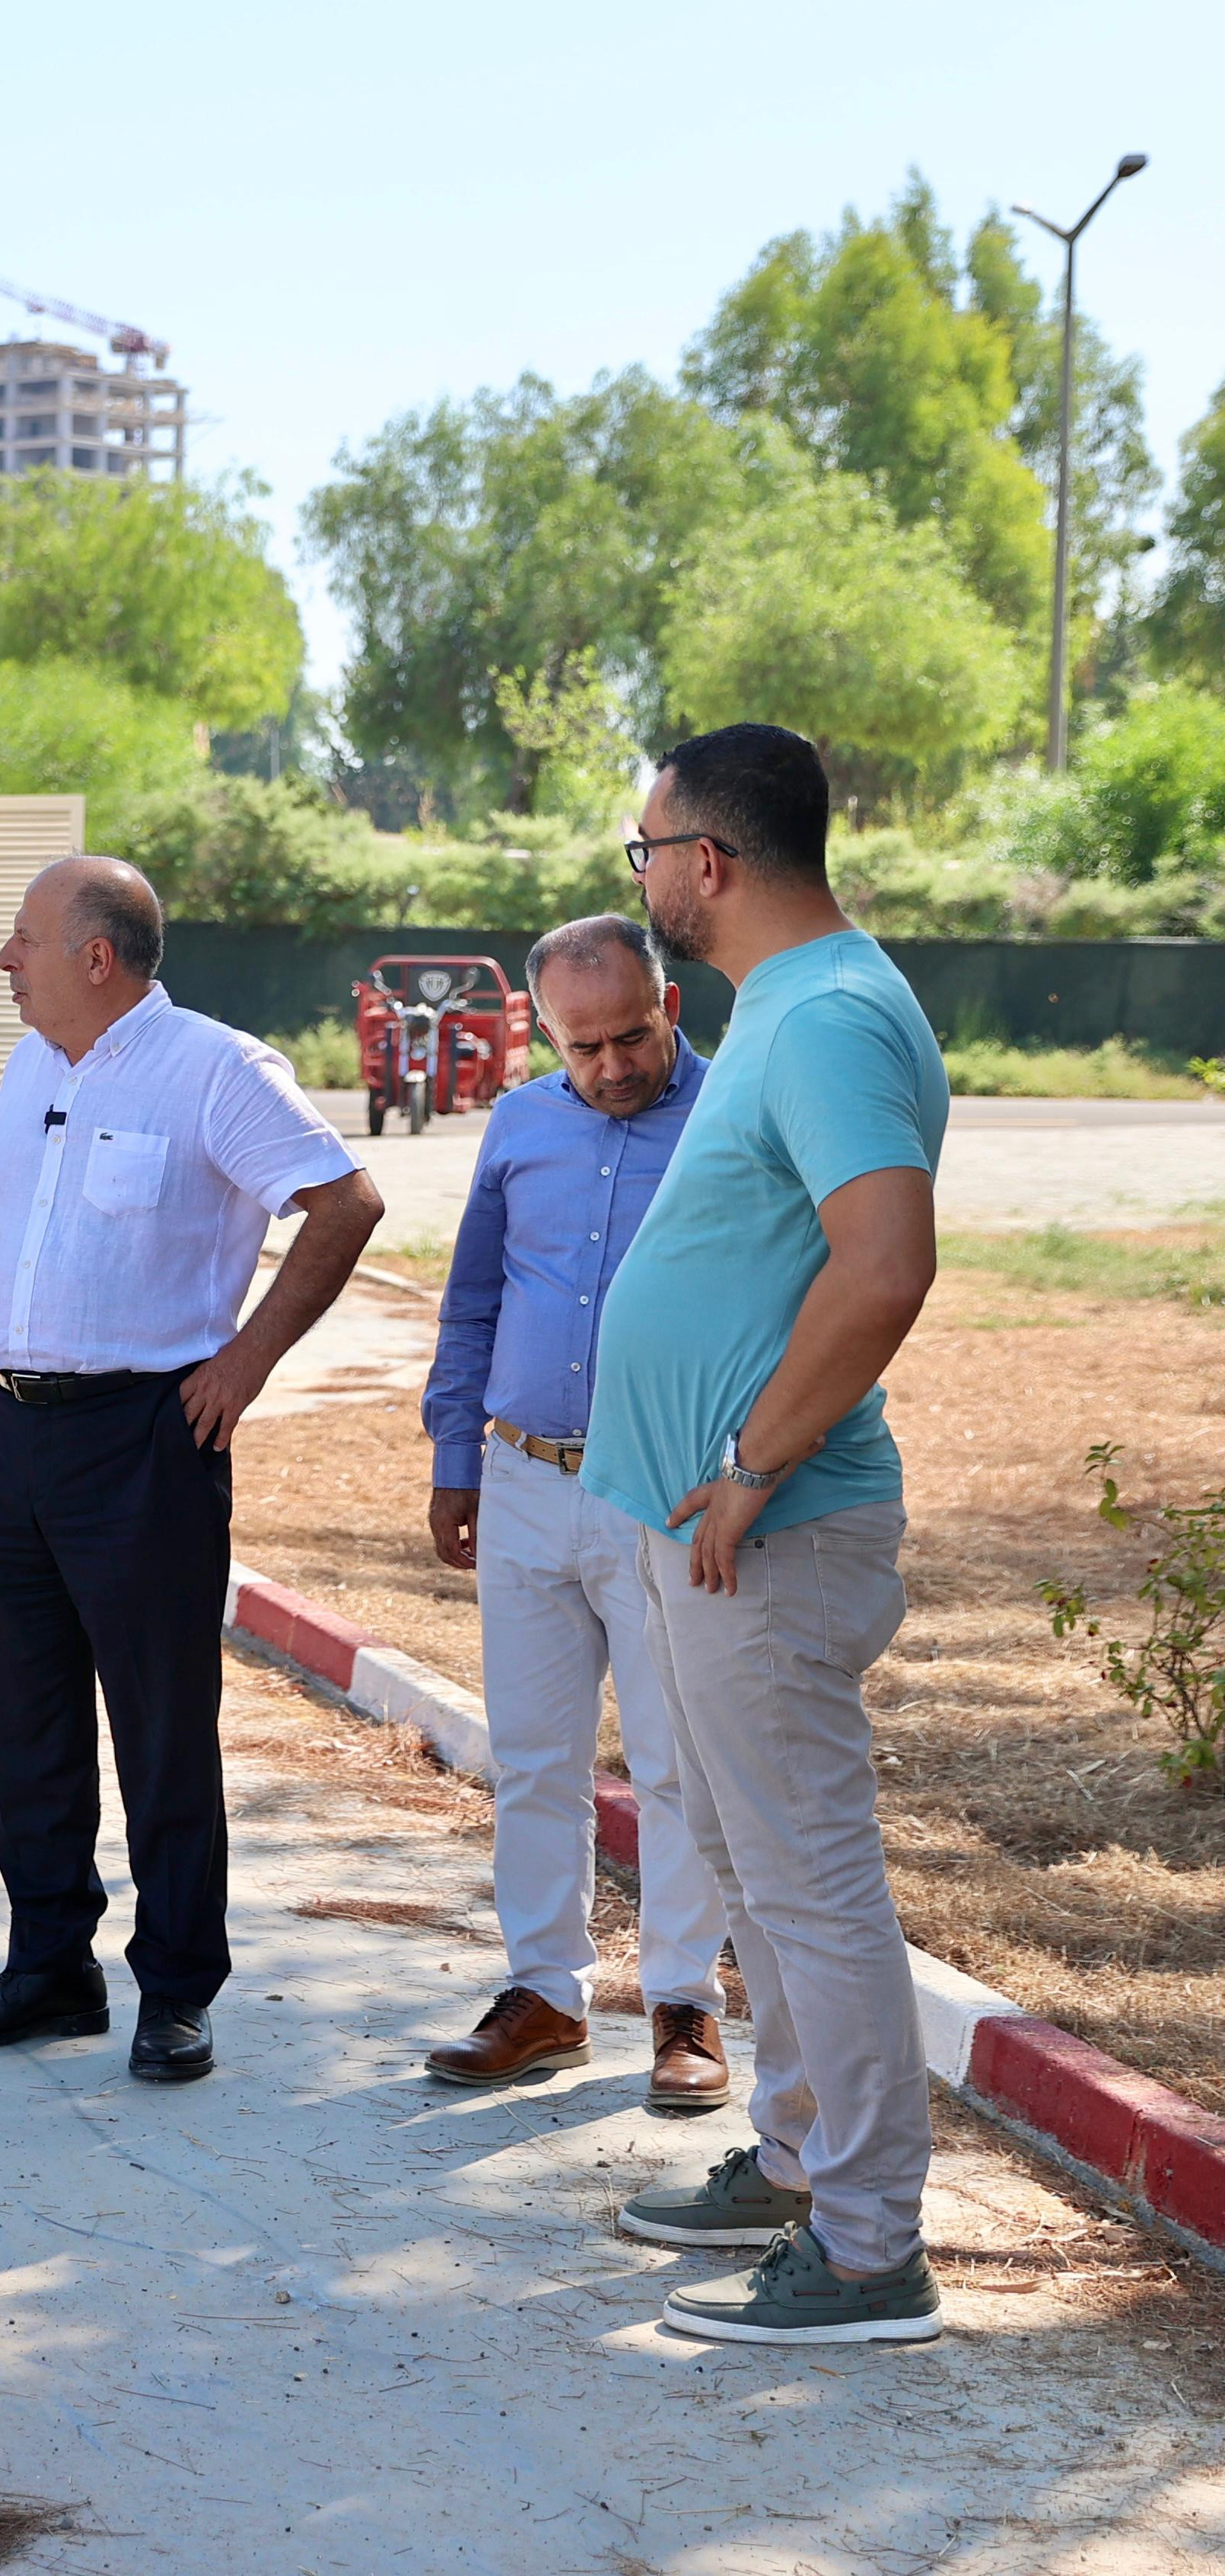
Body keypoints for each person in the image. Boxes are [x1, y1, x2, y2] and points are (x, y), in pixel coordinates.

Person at [0, 857, 381, 2083]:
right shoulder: (35, 1063)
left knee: (158, 1723)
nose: (2, 960)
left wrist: (245, 1360)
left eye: (21, 939)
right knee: (23, 1714)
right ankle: (48, 1969)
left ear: (95, 957)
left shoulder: (216, 1069)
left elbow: (345, 1204)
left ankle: (176, 1988)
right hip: (6, 1428)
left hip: (142, 1436)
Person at [583, 723, 948, 2349]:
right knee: (748, 1864)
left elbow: (885, 1266)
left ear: (707, 862)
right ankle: (802, 2161)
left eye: (645, 851)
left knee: (809, 1884)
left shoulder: (829, 1016)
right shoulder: (787, 1005)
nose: (642, 878)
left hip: (773, 1530)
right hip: (711, 1529)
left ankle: (868, 2252)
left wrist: (745, 1463)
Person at [416, 915, 733, 2111]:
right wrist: (455, 1455)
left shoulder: (732, 1117)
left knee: (673, 1763)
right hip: (521, 1479)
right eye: (580, 1046)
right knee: (534, 1758)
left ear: (670, 1005)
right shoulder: (519, 1123)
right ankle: (544, 1994)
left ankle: (683, 2003)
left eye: (629, 1038)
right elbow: (473, 1299)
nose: (608, 1067)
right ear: (542, 1031)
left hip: (666, 1485)